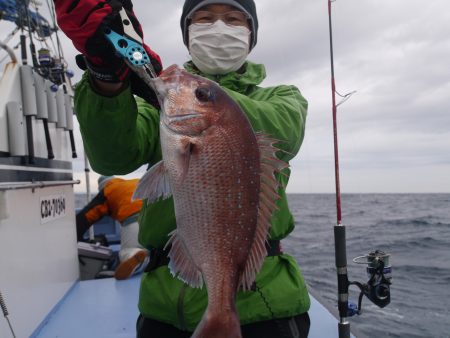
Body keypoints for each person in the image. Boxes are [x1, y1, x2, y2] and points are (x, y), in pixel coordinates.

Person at [55, 0, 310, 336]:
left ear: (251, 35)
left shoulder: (283, 98)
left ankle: (223, 309)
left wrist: (186, 91)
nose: (219, 27)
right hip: (164, 306)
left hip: (265, 303)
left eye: (234, 19)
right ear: (188, 34)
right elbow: (111, 156)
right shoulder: (162, 111)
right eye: (204, 18)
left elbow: (283, 131)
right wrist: (106, 78)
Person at [76, 175, 149, 280]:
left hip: (134, 220)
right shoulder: (134, 182)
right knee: (160, 249)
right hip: (159, 217)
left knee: (129, 250)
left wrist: (76, 237)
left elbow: (87, 216)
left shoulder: (107, 190)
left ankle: (137, 256)